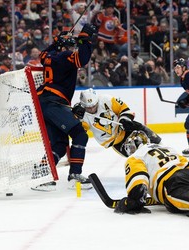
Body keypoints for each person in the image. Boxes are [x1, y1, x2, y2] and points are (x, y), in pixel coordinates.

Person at [34, 24, 97, 191]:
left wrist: (57, 41)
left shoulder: (48, 56)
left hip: (45, 102)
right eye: (69, 46)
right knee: (79, 134)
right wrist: (85, 37)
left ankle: (41, 175)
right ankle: (75, 175)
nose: (72, 49)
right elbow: (82, 59)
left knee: (59, 145)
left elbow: (43, 53)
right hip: (54, 102)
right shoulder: (64, 56)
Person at [72, 88, 161, 157]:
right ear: (83, 105)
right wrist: (75, 118)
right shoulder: (82, 114)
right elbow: (80, 132)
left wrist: (124, 119)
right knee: (138, 155)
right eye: (88, 108)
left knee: (155, 142)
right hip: (114, 140)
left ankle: (163, 150)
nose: (91, 109)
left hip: (125, 128)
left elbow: (123, 108)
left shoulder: (106, 99)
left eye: (94, 106)